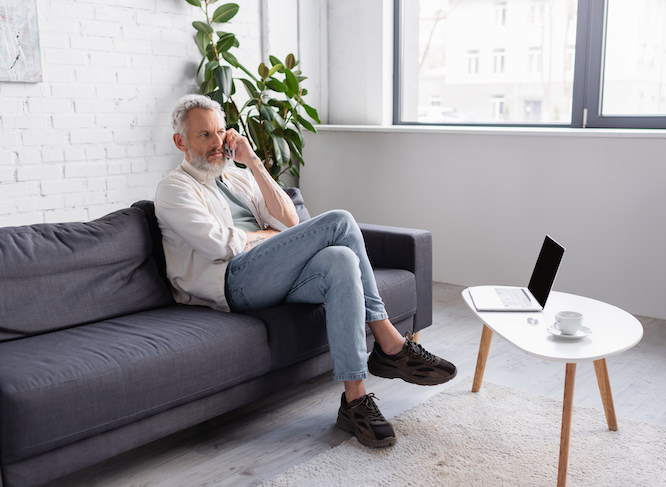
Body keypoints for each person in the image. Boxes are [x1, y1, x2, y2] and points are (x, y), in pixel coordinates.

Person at [155, 94, 457, 448]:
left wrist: (252, 162)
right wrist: (267, 236)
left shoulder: (238, 178)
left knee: (342, 260)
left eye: (220, 132)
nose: (217, 142)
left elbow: (289, 220)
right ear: (181, 141)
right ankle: (389, 342)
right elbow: (220, 246)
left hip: (269, 274)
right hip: (231, 283)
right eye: (204, 135)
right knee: (340, 220)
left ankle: (355, 399)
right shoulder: (174, 189)